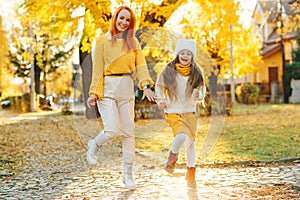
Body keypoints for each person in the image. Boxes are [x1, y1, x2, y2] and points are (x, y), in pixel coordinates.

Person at [86, 6, 156, 190]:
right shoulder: (102, 40)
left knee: (128, 132)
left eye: (128, 21)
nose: (124, 23)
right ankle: (94, 144)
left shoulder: (133, 42)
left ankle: (128, 175)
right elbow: (97, 70)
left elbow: (141, 66)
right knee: (112, 130)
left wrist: (146, 86)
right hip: (107, 89)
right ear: (115, 17)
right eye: (121, 18)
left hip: (126, 89)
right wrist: (94, 93)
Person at [155, 39, 205, 189]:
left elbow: (202, 93)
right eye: (182, 53)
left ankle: (191, 170)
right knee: (182, 135)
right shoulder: (169, 71)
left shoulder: (196, 73)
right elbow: (159, 86)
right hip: (173, 111)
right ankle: (173, 155)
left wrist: (197, 95)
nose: (185, 56)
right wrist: (161, 100)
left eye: (188, 53)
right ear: (177, 55)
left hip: (190, 111)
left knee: (190, 141)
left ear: (192, 56)